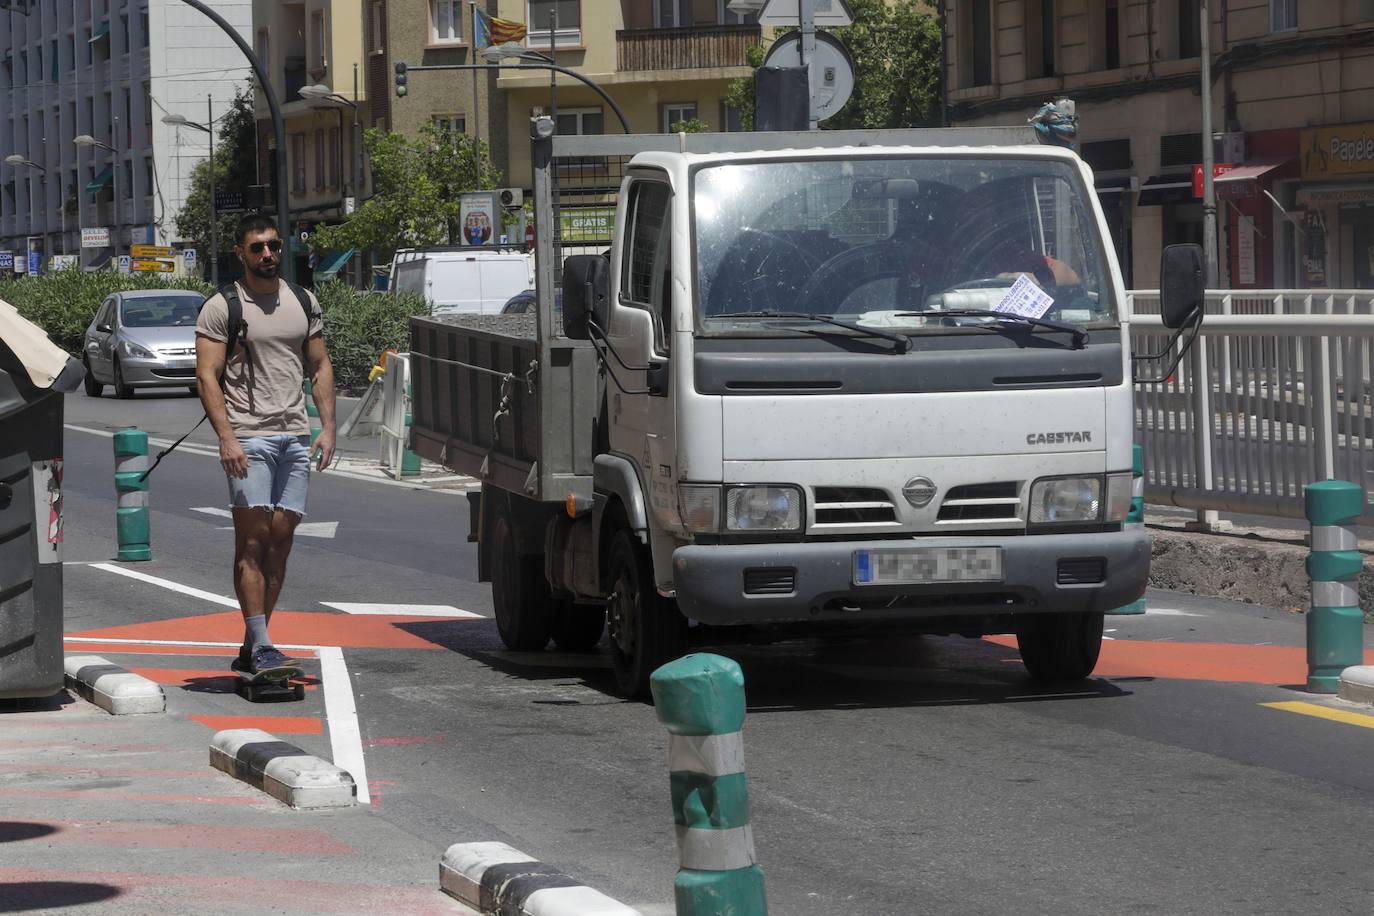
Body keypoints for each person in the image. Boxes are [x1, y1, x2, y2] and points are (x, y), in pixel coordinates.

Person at [194, 213, 336, 677]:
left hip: (294, 435)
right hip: (249, 436)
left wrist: (327, 427)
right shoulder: (222, 306)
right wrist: (227, 437)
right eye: (257, 248)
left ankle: (255, 643)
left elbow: (319, 366)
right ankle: (264, 645)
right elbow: (207, 376)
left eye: (274, 246)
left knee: (282, 543)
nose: (268, 255)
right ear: (241, 252)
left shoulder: (302, 299)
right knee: (252, 542)